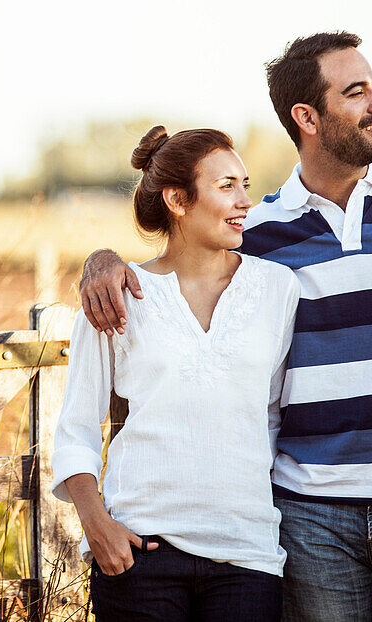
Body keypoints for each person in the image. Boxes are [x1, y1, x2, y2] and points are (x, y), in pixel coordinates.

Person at [78, 32, 372, 621]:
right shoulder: (254, 235)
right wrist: (101, 261)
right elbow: (170, 272)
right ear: (306, 116)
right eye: (356, 92)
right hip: (311, 519)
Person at [52, 126, 300, 622]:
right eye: (226, 185)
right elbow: (76, 428)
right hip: (141, 554)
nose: (245, 200)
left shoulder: (276, 289)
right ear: (177, 200)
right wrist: (96, 525)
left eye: (245, 184)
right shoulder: (116, 294)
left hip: (247, 556)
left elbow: (273, 417)